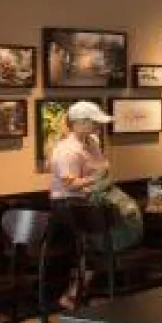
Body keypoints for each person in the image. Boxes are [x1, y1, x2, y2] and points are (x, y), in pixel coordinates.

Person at [49, 100, 141, 307]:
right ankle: (74, 295)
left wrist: (101, 176)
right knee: (94, 245)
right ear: (79, 123)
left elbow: (100, 170)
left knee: (113, 232)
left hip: (90, 201)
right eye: (94, 122)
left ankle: (81, 292)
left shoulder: (92, 141)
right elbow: (70, 185)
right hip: (69, 205)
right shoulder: (66, 150)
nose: (98, 126)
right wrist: (97, 177)